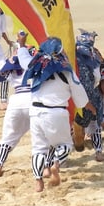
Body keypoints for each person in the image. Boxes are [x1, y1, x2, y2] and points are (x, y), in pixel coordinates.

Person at [16, 34, 97, 192]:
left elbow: (23, 59)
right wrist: (90, 107)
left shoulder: (35, 65)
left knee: (38, 148)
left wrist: (21, 45)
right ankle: (56, 164)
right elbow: (80, 95)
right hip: (56, 112)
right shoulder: (67, 71)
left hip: (35, 111)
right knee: (65, 145)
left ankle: (38, 182)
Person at [0, 55, 31, 177]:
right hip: (33, 99)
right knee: (43, 136)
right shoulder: (35, 61)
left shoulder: (12, 64)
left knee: (8, 137)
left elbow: (1, 74)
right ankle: (47, 167)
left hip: (15, 101)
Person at [74, 28, 104, 162]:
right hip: (85, 95)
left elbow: (103, 65)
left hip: (80, 94)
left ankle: (60, 160)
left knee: (89, 123)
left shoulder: (77, 53)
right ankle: (97, 152)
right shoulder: (87, 55)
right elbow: (93, 77)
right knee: (91, 124)